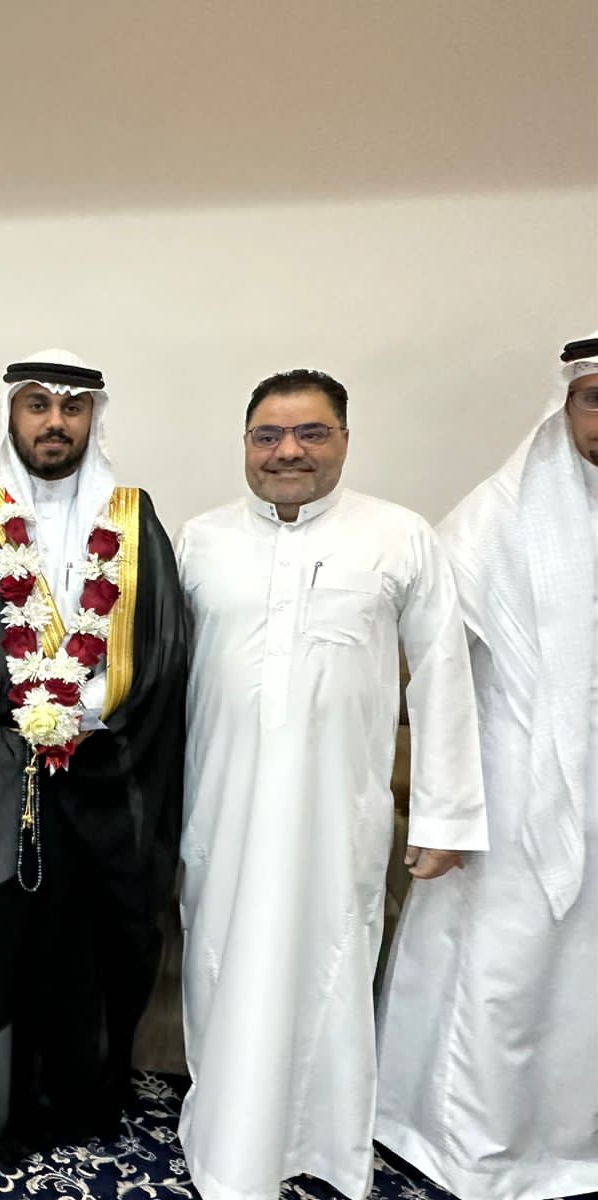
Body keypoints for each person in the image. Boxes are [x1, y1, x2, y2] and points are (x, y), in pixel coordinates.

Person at [175, 368, 488, 1200]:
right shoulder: (199, 539)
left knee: (331, 963)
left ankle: (320, 1142)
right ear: (246, 445)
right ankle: (225, 1138)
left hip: (338, 811)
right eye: (268, 435)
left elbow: (444, 678)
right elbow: (158, 679)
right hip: (220, 806)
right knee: (219, 958)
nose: (288, 451)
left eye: (311, 432)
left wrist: (446, 815)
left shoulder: (400, 536)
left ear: (345, 440)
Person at [0, 350, 188, 1165]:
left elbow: (163, 645)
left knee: (78, 946)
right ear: (11, 415)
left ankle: (67, 1100)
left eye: (72, 408)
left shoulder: (133, 520)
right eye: (38, 405)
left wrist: (87, 709)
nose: (55, 422)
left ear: (94, 420)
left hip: (98, 776)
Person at [374, 334, 598, 1200]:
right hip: (510, 774)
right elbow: (435, 672)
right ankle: (467, 1146)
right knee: (505, 962)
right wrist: (447, 807)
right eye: (595, 399)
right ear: (565, 406)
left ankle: (570, 1144)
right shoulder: (500, 512)